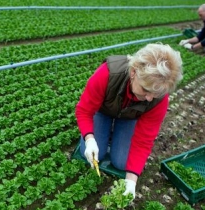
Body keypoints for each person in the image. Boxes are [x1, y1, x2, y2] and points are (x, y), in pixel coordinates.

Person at [75, 43, 183, 199]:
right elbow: (84, 110)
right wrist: (89, 138)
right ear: (133, 72)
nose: (149, 98)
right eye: (146, 90)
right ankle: (102, 133)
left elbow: (144, 140)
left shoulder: (158, 99)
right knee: (94, 153)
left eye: (156, 93)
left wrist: (131, 181)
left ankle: (114, 132)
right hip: (103, 111)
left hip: (129, 116)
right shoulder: (108, 73)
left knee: (122, 163)